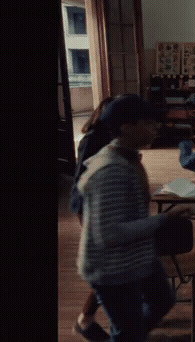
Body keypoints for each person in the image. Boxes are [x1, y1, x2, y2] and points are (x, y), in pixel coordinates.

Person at [76, 94, 187, 342]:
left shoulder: (128, 157)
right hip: (111, 267)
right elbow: (110, 234)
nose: (155, 129)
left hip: (136, 256)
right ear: (126, 127)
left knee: (162, 300)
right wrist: (164, 220)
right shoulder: (111, 170)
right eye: (148, 124)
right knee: (130, 331)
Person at [70, 97, 114, 342]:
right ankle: (85, 319)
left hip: (102, 208)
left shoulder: (110, 138)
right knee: (105, 265)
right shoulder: (93, 140)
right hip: (89, 207)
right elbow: (81, 181)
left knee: (108, 264)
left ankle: (88, 317)